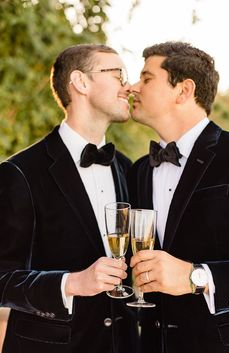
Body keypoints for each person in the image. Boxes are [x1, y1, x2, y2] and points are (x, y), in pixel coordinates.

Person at [0, 44, 137, 353]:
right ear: (81, 82)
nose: (127, 86)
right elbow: (2, 279)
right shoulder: (19, 172)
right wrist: (71, 284)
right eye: (118, 74)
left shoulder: (129, 169)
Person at [128, 41, 229, 353]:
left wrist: (196, 276)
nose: (134, 86)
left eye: (147, 79)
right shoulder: (138, 172)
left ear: (184, 91)